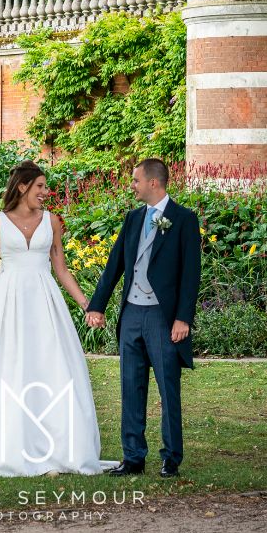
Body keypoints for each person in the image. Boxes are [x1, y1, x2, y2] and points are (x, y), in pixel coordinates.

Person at [0, 160, 121, 476]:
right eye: (40, 186)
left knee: (52, 365)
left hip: (45, 301)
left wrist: (87, 305)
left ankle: (57, 446)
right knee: (7, 369)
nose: (45, 192)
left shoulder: (51, 221)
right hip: (8, 303)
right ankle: (7, 446)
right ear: (23, 186)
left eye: (45, 186)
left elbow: (61, 269)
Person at [85, 157, 201, 478]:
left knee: (168, 388)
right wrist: (97, 305)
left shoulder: (184, 220)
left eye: (136, 180)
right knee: (130, 386)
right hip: (132, 314)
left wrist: (183, 318)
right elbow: (114, 266)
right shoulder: (132, 219)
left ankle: (170, 457)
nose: (132, 186)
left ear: (153, 183)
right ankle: (133, 457)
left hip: (163, 319)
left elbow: (191, 275)